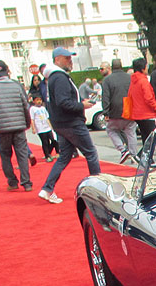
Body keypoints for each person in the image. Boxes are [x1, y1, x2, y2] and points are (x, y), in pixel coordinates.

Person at [40, 47, 101, 204]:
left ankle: (47, 188)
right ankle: (98, 189)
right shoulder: (59, 77)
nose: (70, 61)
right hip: (71, 122)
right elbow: (63, 102)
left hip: (61, 123)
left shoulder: (53, 78)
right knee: (91, 153)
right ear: (57, 60)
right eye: (67, 58)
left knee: (64, 157)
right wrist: (82, 106)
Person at [0, 60, 34, 191]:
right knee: (22, 154)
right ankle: (26, 183)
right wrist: (27, 123)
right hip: (19, 126)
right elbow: (25, 106)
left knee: (5, 154)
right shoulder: (16, 85)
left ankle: (12, 181)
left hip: (3, 128)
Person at [101, 58, 139, 163]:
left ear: (112, 67)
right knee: (131, 131)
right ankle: (133, 154)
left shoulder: (107, 80)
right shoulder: (129, 78)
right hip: (129, 108)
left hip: (114, 110)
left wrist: (106, 112)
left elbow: (106, 97)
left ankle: (122, 149)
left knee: (111, 129)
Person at [128, 57, 156, 147]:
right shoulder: (143, 81)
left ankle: (146, 158)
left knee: (145, 137)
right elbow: (148, 97)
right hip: (146, 113)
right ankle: (143, 156)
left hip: (137, 113)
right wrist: (155, 107)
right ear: (143, 68)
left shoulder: (133, 81)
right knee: (153, 137)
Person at [30, 95, 58, 161]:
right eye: (37, 100)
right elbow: (32, 119)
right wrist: (33, 128)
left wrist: (51, 126)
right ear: (34, 101)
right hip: (40, 128)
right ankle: (47, 155)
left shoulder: (43, 108)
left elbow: (47, 118)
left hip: (47, 127)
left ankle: (49, 152)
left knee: (53, 140)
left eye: (40, 100)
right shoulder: (33, 109)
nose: (39, 101)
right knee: (45, 142)